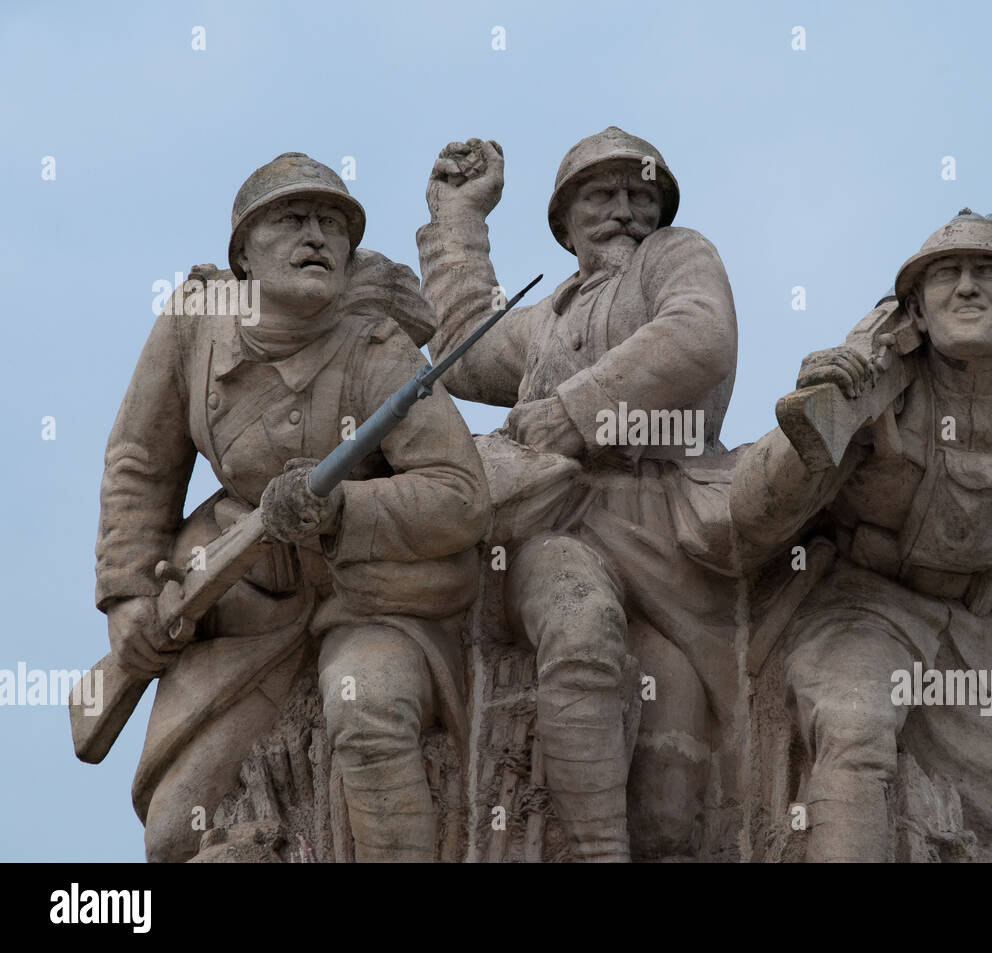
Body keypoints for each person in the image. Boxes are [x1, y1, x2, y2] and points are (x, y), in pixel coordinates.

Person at [95, 152, 490, 862]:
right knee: (172, 833)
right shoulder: (194, 321)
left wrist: (341, 510)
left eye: (334, 224)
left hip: (369, 594)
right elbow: (138, 462)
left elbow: (460, 497)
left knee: (367, 714)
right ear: (243, 251)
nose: (317, 236)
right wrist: (127, 597)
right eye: (293, 219)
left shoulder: (376, 345)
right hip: (242, 597)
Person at [730, 209, 992, 861]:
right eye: (946, 276)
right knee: (855, 725)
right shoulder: (873, 378)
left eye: (990, 271)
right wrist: (818, 419)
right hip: (867, 606)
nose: (966, 286)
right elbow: (752, 513)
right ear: (918, 312)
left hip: (984, 625)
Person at [418, 128, 740, 861]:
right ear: (564, 222)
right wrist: (459, 222)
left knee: (679, 750)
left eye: (641, 194)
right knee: (581, 626)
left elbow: (699, 335)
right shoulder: (549, 319)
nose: (624, 209)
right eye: (602, 194)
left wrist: (571, 411)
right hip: (561, 521)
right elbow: (462, 343)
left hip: (669, 531)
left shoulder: (677, 257)